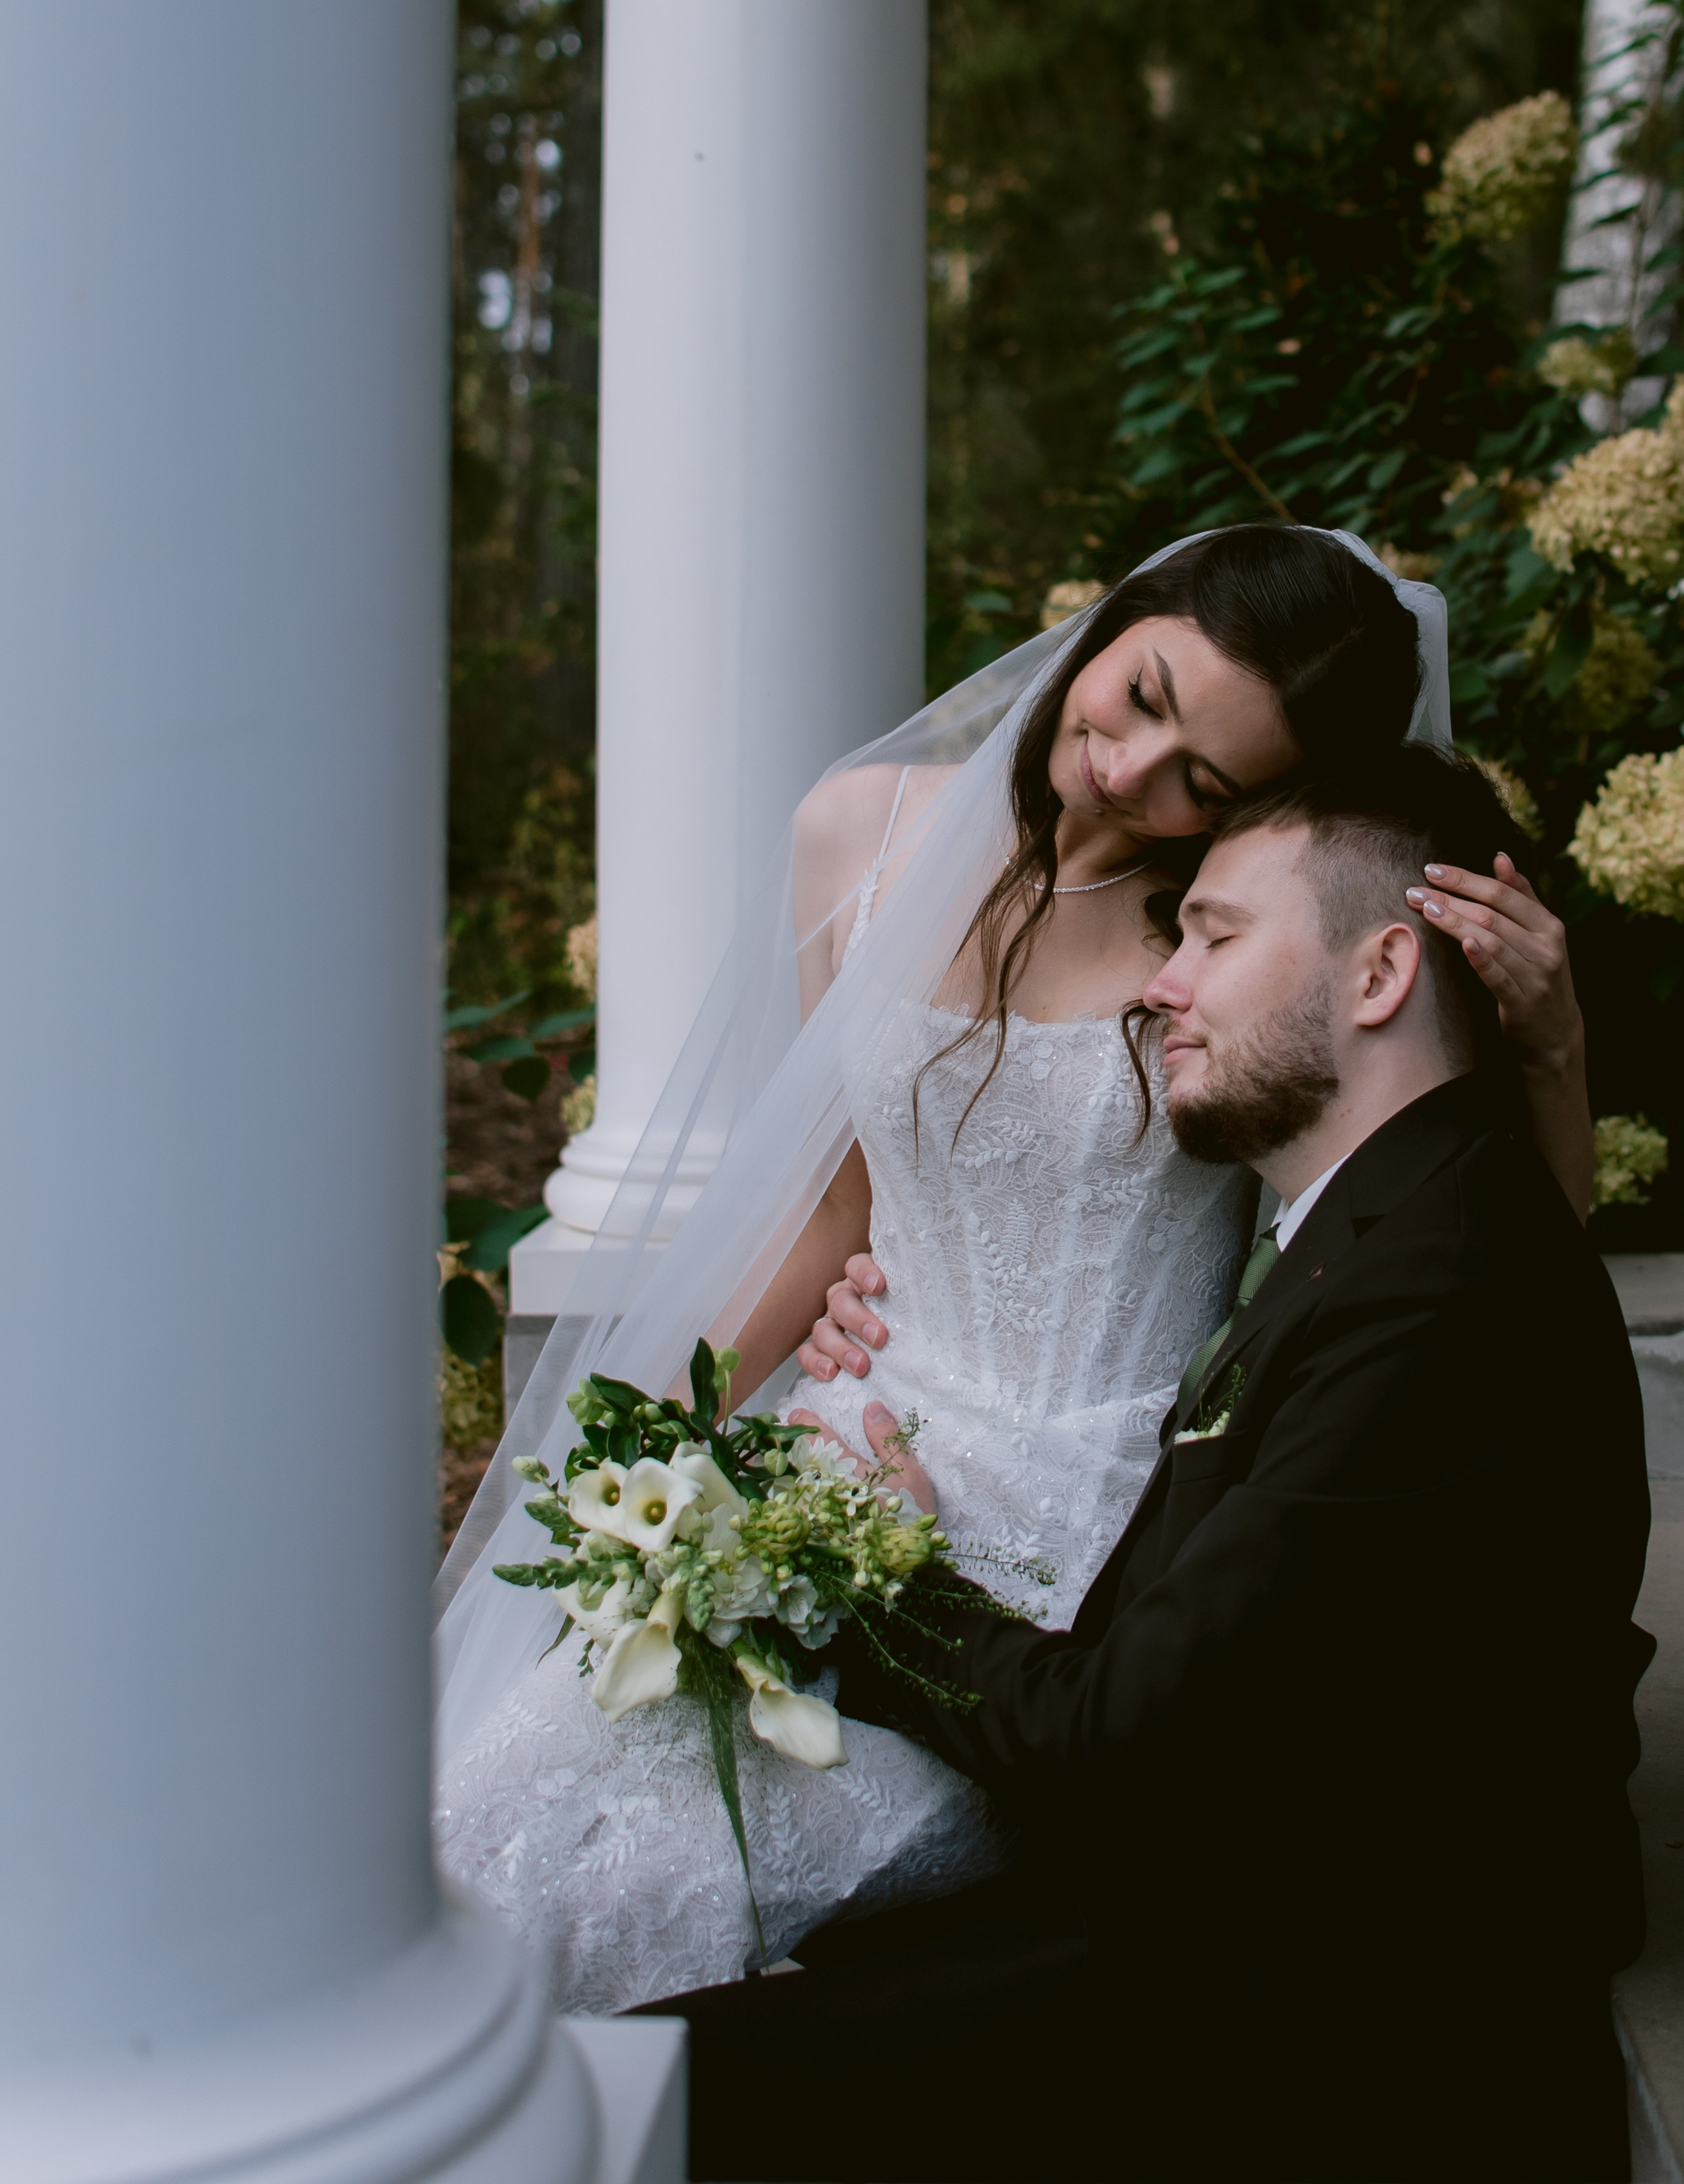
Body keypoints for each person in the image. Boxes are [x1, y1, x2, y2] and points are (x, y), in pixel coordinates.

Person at [433, 526, 1591, 2017]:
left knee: (658, 1886)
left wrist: (1553, 1048)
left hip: (1078, 1542)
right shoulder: (857, 834)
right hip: (844, 1439)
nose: (1130, 771)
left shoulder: (1220, 944)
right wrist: (656, 1437)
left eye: (1204, 780)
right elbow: (828, 1208)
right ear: (1116, 616)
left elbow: (1501, 1252)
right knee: (483, 1818)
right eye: (1143, 693)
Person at [641, 748, 1651, 2184]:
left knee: (638, 2092)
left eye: (1214, 935)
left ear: (1377, 976)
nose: (1159, 985)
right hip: (1233, 1899)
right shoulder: (1385, 1216)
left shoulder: (1440, 1292)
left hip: (1332, 2011)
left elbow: (1118, 1743)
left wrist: (865, 1567)